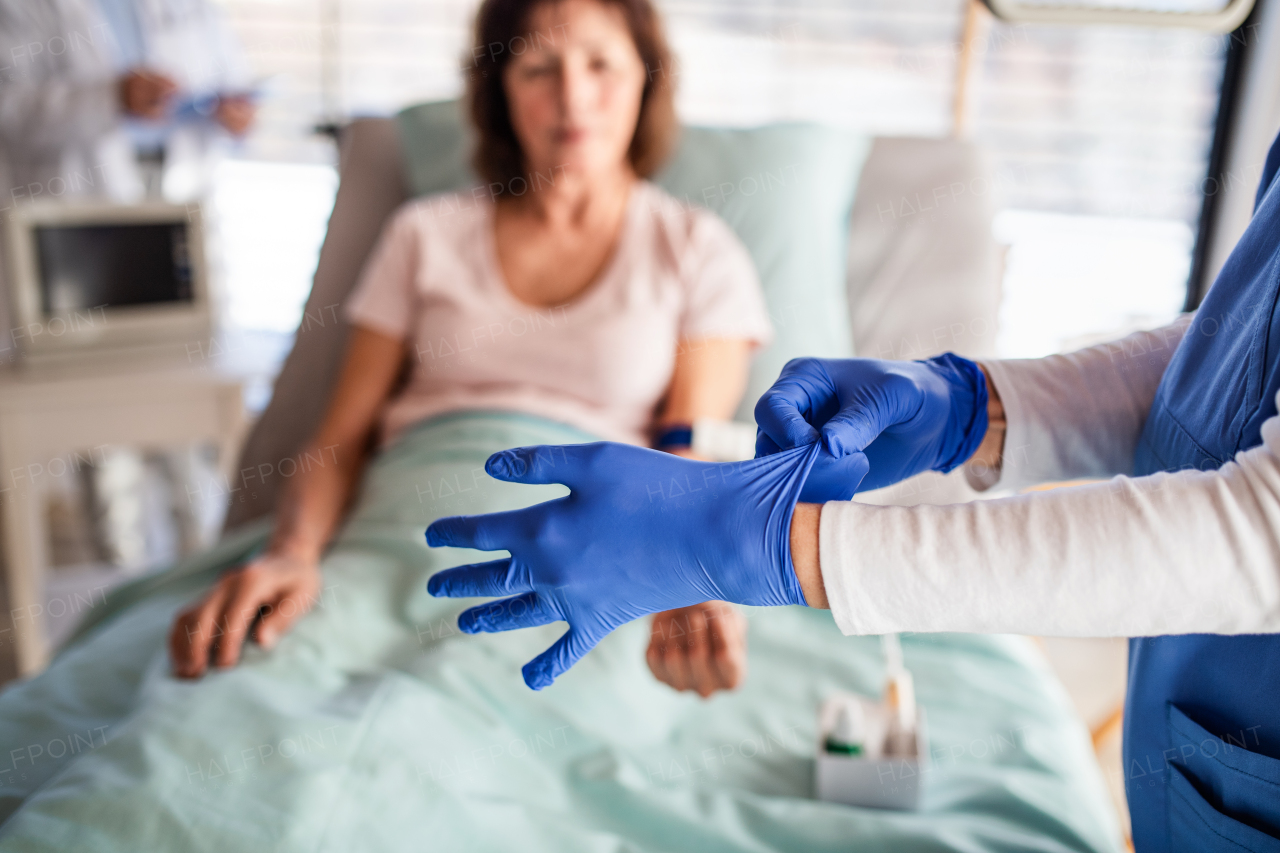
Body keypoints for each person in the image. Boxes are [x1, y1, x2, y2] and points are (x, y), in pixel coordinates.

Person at [425, 130, 1280, 850]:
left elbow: (1263, 536)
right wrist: (974, 404)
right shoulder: (429, 234)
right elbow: (1236, 353)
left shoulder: (684, 243)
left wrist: (780, 547)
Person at [168, 0, 773, 700]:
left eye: (601, 64)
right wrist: (292, 553)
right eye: (539, 68)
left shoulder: (697, 252)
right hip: (389, 549)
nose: (573, 97)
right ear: (499, 91)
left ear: (648, 78)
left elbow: (687, 452)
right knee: (237, 695)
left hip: (579, 567)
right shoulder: (423, 236)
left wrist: (687, 572)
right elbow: (339, 438)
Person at [0, 0, 256, 357]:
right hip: (75, 206)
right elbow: (9, 107)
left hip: (180, 195)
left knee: (183, 363)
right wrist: (109, 97)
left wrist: (237, 112)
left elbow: (229, 72)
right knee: (73, 364)